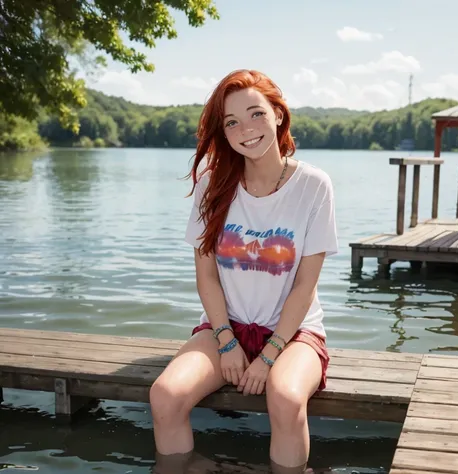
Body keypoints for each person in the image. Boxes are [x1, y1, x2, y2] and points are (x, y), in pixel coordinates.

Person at [149, 69, 338, 471]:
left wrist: (269, 355)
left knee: (285, 399)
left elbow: (306, 284)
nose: (245, 129)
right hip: (224, 328)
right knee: (165, 396)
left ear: (278, 115)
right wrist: (226, 340)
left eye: (256, 114)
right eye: (231, 122)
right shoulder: (211, 187)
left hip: (294, 333)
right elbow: (207, 276)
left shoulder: (314, 186)